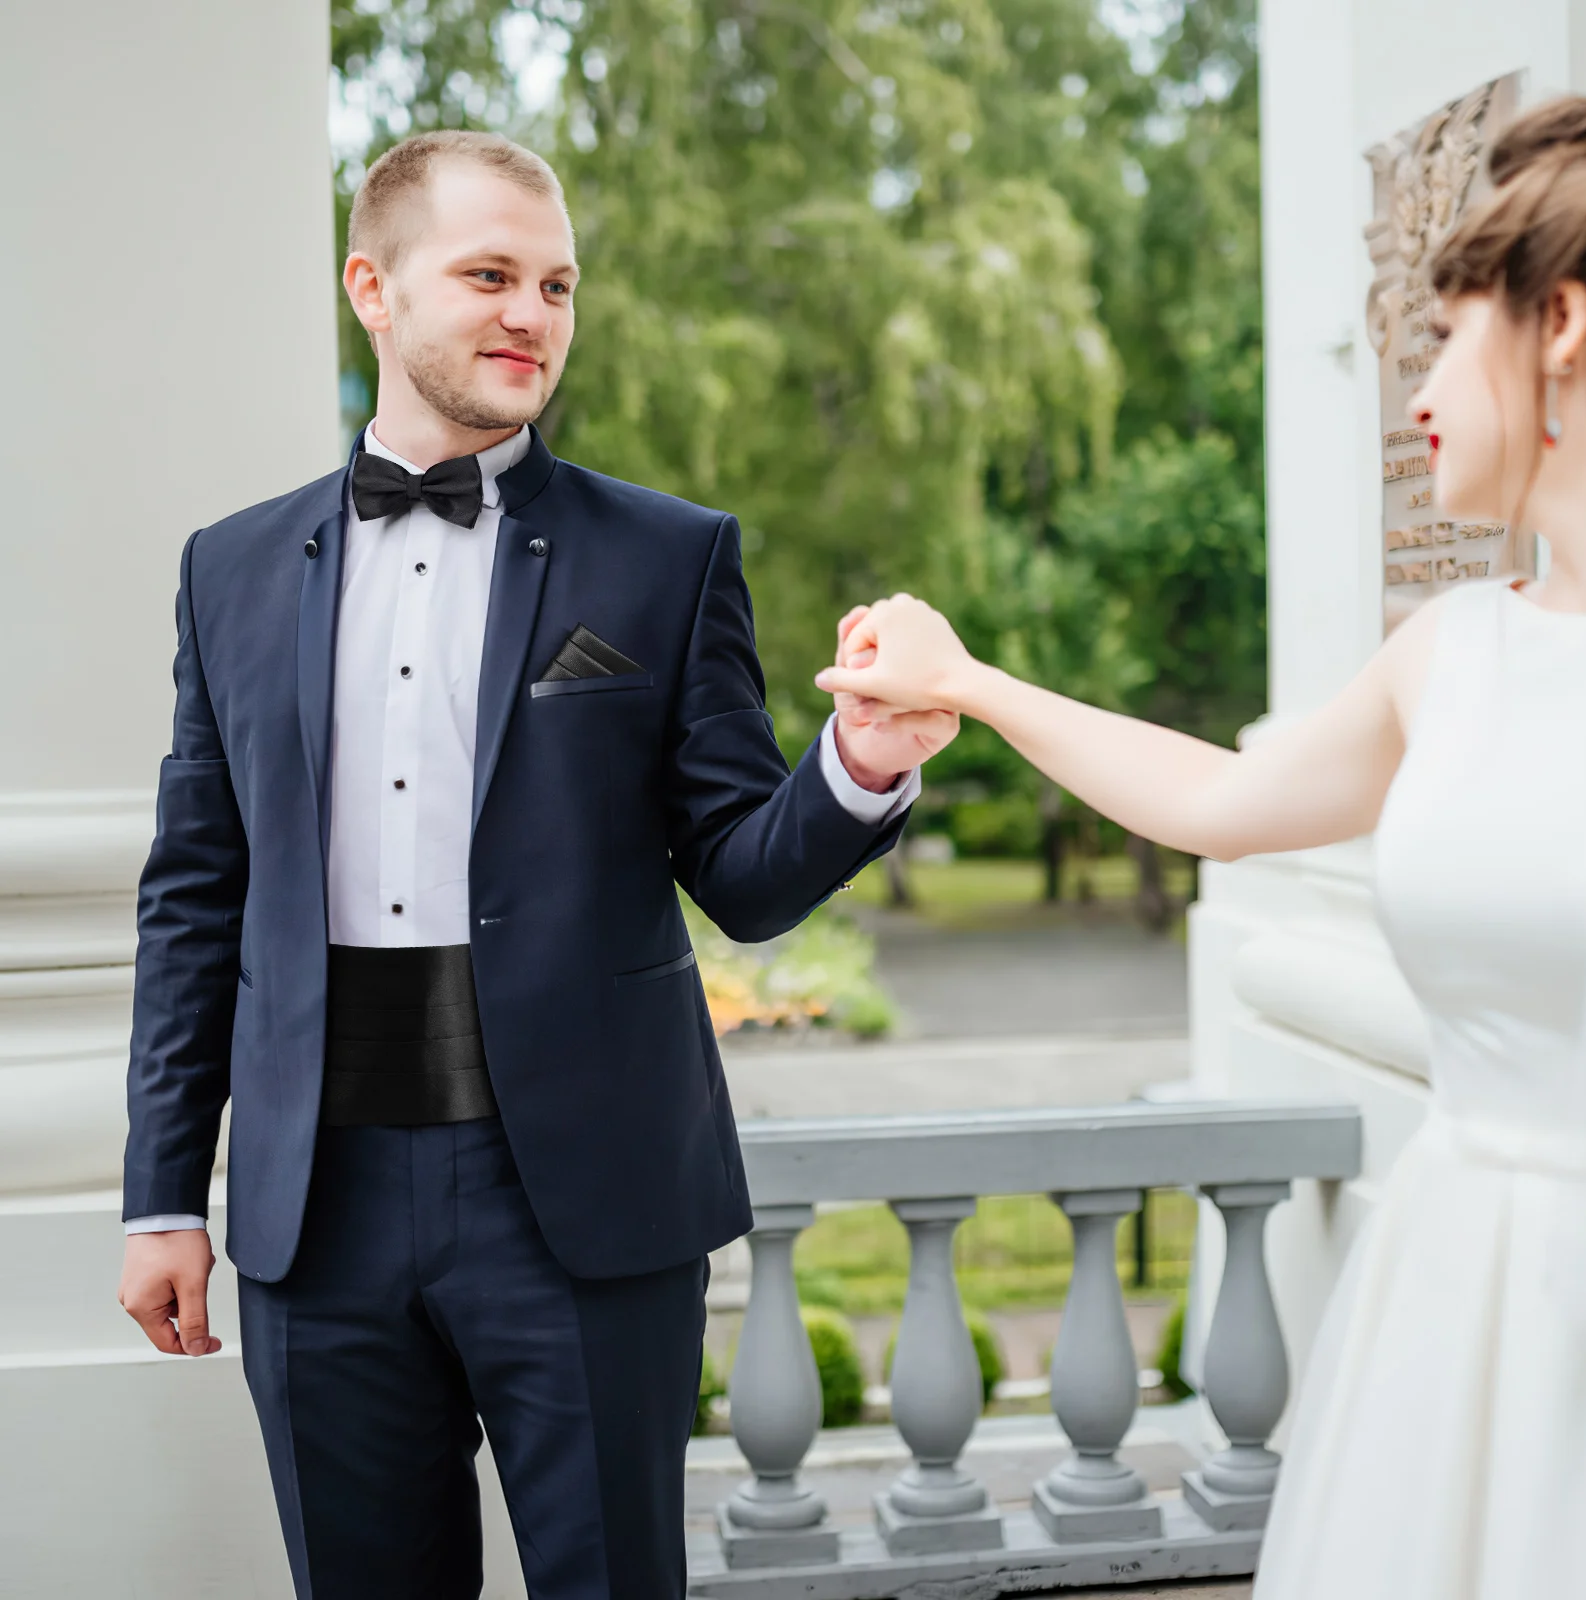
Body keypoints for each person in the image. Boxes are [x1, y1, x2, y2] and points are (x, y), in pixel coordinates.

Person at [116, 130, 957, 1599]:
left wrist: (865, 770)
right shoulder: (229, 568)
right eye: (491, 274)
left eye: (558, 285)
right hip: (314, 1202)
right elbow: (197, 898)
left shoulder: (667, 555)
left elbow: (745, 877)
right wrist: (162, 1195)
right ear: (370, 289)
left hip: (580, 1188)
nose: (534, 316)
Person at [817, 96, 1586, 1600]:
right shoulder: (1451, 654)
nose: (1417, 389)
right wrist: (970, 681)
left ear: (1559, 320)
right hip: (1454, 1306)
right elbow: (1212, 800)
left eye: (1441, 341)